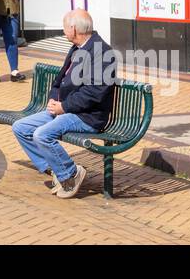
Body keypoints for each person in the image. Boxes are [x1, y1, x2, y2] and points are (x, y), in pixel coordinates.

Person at [11, 10, 116, 199]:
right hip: (66, 109)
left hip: (87, 116)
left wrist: (64, 106)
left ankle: (70, 174)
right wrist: (54, 98)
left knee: (41, 134)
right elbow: (60, 80)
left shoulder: (102, 52)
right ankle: (57, 171)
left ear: (74, 29)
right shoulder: (77, 47)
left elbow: (96, 92)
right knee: (20, 127)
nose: (63, 30)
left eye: (65, 27)